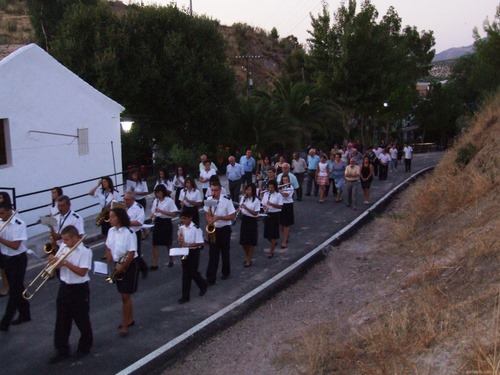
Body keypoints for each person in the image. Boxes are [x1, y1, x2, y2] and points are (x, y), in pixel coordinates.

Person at [48, 225, 93, 364]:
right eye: (63, 240)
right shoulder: (63, 246)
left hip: (79, 289)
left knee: (81, 319)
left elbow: (82, 272)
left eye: (67, 240)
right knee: (62, 320)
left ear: (75, 238)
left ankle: (84, 348)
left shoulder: (85, 251)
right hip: (64, 287)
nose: (64, 243)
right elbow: (58, 263)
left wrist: (65, 263)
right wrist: (54, 262)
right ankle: (62, 350)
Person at [105, 207, 139, 337]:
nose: (110, 219)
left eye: (113, 216)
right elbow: (108, 246)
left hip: (128, 265)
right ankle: (130, 319)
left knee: (125, 294)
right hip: (117, 263)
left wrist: (122, 268)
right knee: (124, 295)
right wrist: (108, 256)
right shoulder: (111, 231)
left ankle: (125, 325)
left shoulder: (129, 233)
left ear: (119, 218)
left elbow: (131, 253)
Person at [0, 202, 31, 332]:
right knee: (18, 288)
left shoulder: (19, 224)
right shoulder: (1, 221)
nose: (0, 216)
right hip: (7, 259)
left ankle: (4, 323)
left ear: (9, 212)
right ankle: (25, 314)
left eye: (2, 213)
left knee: (13, 291)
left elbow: (15, 246)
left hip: (18, 259)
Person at [204, 180, 236, 285]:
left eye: (216, 190)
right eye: (212, 190)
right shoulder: (209, 199)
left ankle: (226, 272)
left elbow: (232, 216)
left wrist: (219, 217)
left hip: (224, 229)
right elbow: (207, 213)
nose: (214, 193)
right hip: (214, 229)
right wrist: (209, 220)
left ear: (220, 190)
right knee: (213, 254)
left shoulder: (226, 200)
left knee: (224, 252)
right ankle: (210, 277)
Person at [176, 209, 208, 304]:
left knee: (193, 272)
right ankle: (185, 296)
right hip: (184, 251)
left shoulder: (196, 229)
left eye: (185, 218)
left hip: (193, 252)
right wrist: (179, 240)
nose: (183, 221)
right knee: (185, 274)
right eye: (182, 219)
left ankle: (203, 285)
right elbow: (180, 240)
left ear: (190, 218)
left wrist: (188, 245)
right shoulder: (181, 228)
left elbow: (200, 243)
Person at [149, 184, 178, 270]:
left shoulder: (169, 201)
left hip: (166, 222)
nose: (158, 195)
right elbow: (153, 211)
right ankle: (155, 264)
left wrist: (161, 211)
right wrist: (151, 217)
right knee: (155, 243)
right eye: (157, 193)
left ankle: (171, 260)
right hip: (158, 222)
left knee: (168, 243)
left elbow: (173, 213)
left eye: (159, 193)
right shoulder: (156, 201)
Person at [123, 193, 148, 279]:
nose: (125, 201)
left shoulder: (138, 208)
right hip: (125, 233)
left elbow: (140, 222)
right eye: (125, 199)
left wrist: (127, 222)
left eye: (127, 200)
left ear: (133, 199)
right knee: (127, 252)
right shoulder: (123, 207)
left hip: (134, 233)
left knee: (136, 253)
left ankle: (141, 270)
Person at [238, 183, 260, 267]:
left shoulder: (256, 200)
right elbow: (240, 208)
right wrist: (238, 211)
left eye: (249, 190)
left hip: (252, 221)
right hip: (244, 219)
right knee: (243, 241)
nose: (247, 191)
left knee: (250, 241)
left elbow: (256, 213)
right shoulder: (243, 198)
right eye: (246, 190)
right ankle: (248, 256)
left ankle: (249, 259)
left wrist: (246, 208)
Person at [261, 180, 283, 258]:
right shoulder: (266, 194)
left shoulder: (278, 195)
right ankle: (274, 243)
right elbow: (263, 203)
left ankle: (271, 251)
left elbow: (280, 206)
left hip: (275, 215)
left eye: (272, 187)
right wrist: (264, 207)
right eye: (269, 187)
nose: (270, 189)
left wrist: (272, 204)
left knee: (273, 233)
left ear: (275, 187)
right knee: (267, 233)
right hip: (267, 214)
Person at [0, 192, 12, 297]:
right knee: (2, 268)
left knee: (6, 267)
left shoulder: (8, 212)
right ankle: (6, 285)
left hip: (7, 246)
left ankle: (8, 286)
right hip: (2, 245)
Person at [279, 176, 294, 249]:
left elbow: (286, 195)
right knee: (282, 224)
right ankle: (286, 236)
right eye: (284, 180)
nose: (285, 181)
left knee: (286, 224)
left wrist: (280, 191)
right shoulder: (281, 187)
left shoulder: (290, 187)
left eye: (286, 180)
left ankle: (284, 241)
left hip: (288, 205)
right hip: (281, 205)